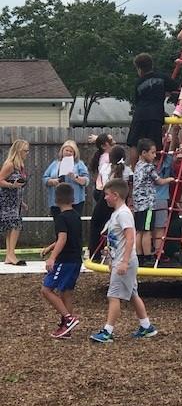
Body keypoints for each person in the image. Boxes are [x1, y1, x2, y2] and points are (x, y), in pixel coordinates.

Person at [90, 178, 158, 343]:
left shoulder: (124, 214)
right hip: (120, 260)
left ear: (115, 195)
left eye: (106, 195)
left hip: (125, 261)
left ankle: (108, 331)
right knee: (133, 294)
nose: (104, 198)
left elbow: (130, 239)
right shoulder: (117, 213)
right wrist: (112, 259)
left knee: (113, 296)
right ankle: (146, 326)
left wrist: (124, 261)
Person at [40, 183, 82, 338]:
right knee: (66, 293)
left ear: (56, 199)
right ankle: (67, 329)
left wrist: (52, 258)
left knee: (46, 289)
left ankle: (68, 318)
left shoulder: (61, 218)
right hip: (76, 260)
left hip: (65, 261)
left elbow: (63, 239)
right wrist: (50, 247)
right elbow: (65, 238)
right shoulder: (76, 216)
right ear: (73, 199)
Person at [127, 53, 178, 167]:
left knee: (134, 142)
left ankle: (134, 169)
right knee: (154, 143)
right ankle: (154, 167)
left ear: (139, 69)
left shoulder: (138, 83)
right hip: (155, 114)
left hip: (140, 114)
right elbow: (175, 87)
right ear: (151, 65)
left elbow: (136, 100)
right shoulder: (161, 77)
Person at [133, 138, 174, 266]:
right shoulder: (149, 167)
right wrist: (170, 179)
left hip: (138, 204)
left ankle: (139, 255)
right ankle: (148, 256)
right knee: (147, 231)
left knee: (139, 230)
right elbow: (159, 181)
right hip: (148, 204)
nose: (155, 155)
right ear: (144, 153)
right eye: (152, 153)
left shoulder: (137, 165)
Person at [88, 145, 133, 260]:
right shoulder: (128, 171)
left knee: (96, 224)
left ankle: (95, 253)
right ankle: (116, 251)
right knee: (118, 226)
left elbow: (103, 183)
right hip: (121, 199)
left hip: (107, 197)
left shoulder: (105, 168)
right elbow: (130, 186)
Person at [0, 139, 29, 266]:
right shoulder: (10, 164)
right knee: (15, 225)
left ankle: (9, 255)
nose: (27, 153)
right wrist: (12, 185)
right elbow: (0, 180)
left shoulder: (19, 165)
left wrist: (21, 201)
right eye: (25, 150)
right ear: (18, 151)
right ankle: (11, 255)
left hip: (15, 200)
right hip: (7, 200)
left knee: (13, 226)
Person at [43, 140, 89, 219]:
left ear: (75, 153)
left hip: (75, 201)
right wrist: (52, 181)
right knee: (59, 225)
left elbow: (86, 181)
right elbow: (45, 178)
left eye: (71, 151)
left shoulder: (79, 164)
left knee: (73, 225)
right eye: (66, 150)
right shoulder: (55, 163)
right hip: (57, 201)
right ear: (62, 151)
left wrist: (76, 177)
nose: (68, 153)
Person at [152, 152, 173, 260]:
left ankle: (146, 252)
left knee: (147, 227)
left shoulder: (147, 165)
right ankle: (158, 251)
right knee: (160, 227)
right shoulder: (166, 163)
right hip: (161, 198)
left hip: (149, 199)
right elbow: (171, 150)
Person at [89, 133, 114, 202]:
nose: (113, 144)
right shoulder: (107, 158)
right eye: (110, 143)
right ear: (103, 146)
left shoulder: (102, 156)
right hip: (104, 189)